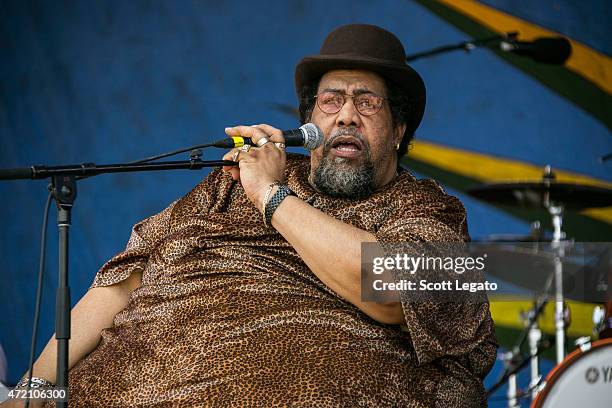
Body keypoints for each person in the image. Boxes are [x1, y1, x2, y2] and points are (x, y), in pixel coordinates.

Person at [5, 24, 497, 407]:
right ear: (310, 123)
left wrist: (272, 197)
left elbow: (392, 290)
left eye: (367, 103)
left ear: (397, 130)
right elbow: (124, 281)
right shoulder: (233, 180)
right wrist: (33, 394)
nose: (346, 115)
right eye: (331, 101)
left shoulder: (428, 209)